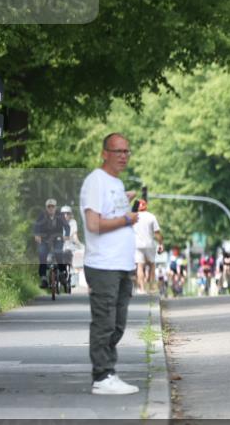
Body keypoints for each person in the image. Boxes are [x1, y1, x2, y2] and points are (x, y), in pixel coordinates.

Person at [79, 132, 140, 395]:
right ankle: (102, 376)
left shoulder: (115, 183)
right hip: (104, 265)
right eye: (118, 151)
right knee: (105, 322)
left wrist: (125, 202)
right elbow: (94, 224)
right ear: (105, 153)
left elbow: (110, 213)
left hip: (121, 264)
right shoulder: (96, 181)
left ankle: (108, 372)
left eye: (127, 151)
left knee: (118, 323)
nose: (123, 156)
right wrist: (127, 220)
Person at [33, 198, 70, 289]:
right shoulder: (42, 215)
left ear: (55, 207)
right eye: (49, 207)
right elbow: (36, 225)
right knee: (42, 254)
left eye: (52, 206)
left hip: (57, 238)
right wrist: (37, 235)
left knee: (58, 253)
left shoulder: (60, 215)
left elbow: (66, 226)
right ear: (46, 208)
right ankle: (43, 278)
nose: (51, 208)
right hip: (45, 239)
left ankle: (62, 273)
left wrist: (67, 235)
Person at [133, 200, 163, 294]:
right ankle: (151, 287)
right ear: (146, 206)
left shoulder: (133, 217)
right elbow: (157, 233)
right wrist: (161, 244)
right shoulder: (151, 217)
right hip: (150, 244)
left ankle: (142, 289)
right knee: (152, 265)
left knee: (140, 266)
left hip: (137, 245)